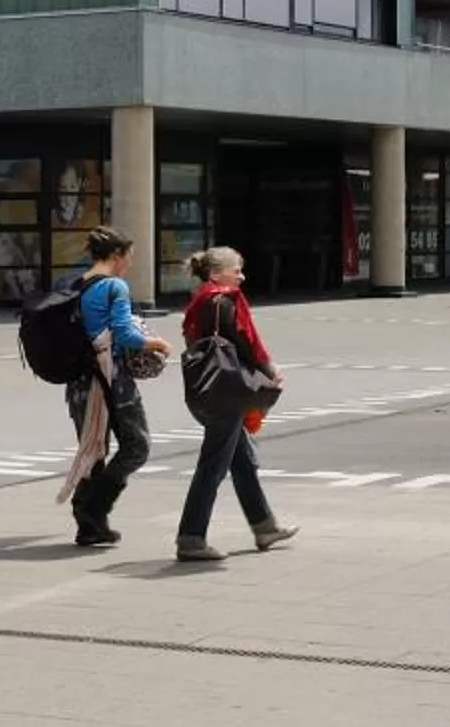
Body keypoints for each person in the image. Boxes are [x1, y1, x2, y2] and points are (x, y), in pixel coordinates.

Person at [173, 246, 297, 563]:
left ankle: (264, 526)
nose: (241, 276)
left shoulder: (200, 301)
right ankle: (191, 538)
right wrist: (269, 370)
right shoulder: (224, 300)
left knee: (241, 462)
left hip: (209, 389)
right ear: (216, 274)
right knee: (212, 466)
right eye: (236, 270)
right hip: (227, 392)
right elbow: (247, 342)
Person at [59, 227, 166, 549]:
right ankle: (94, 508)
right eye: (129, 256)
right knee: (137, 446)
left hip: (79, 382)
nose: (129, 264)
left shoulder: (75, 284)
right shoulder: (113, 286)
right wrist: (157, 342)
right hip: (112, 382)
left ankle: (88, 525)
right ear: (117, 255)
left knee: (94, 451)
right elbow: (125, 335)